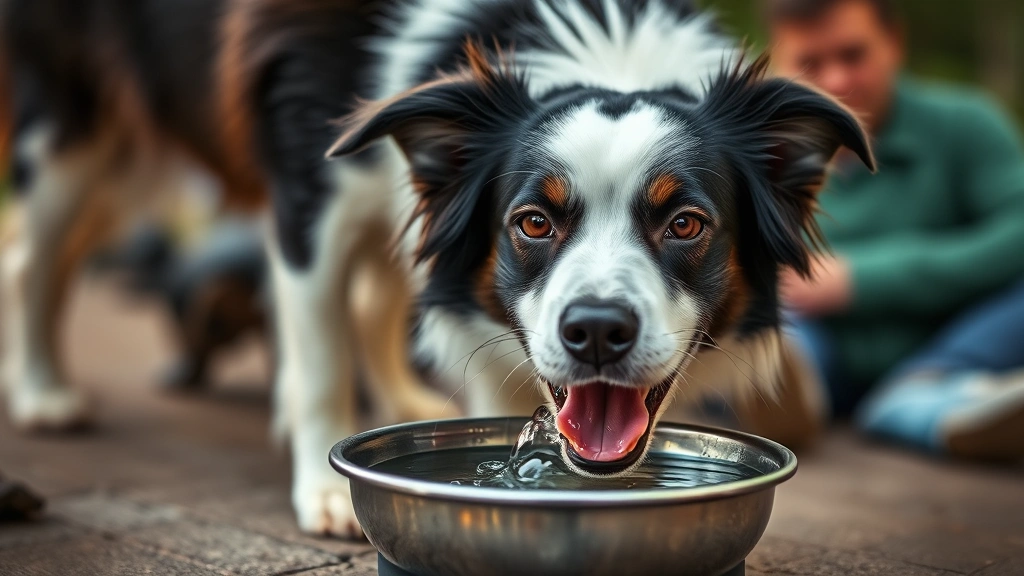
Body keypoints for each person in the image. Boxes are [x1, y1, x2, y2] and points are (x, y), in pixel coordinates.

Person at [748, 0, 1024, 459]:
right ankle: (779, 384)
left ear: (894, 43)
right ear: (777, 59)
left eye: (853, 56)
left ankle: (928, 394)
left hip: (957, 344)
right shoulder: (755, 152)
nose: (835, 82)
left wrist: (859, 280)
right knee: (758, 311)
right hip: (818, 351)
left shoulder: (966, 124)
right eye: (810, 63)